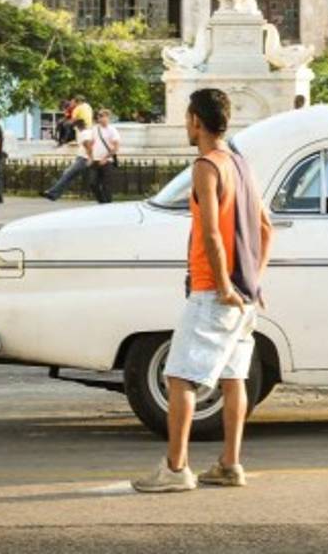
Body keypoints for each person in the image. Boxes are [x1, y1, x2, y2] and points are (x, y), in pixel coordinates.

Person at [132, 88, 273, 493]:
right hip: (244, 296)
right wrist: (252, 281)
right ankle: (229, 464)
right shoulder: (241, 165)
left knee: (179, 378)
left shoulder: (206, 167)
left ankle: (175, 470)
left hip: (214, 291)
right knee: (233, 379)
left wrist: (225, 285)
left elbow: (211, 233)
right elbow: (266, 229)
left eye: (186, 118)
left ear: (196, 120)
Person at [42, 120, 90, 201]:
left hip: (83, 158)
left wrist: (90, 156)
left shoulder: (84, 133)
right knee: (68, 175)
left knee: (68, 174)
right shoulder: (88, 132)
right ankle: (54, 194)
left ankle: (52, 193)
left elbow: (87, 145)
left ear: (77, 127)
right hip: (83, 158)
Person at [84, 109, 121, 204]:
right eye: (100, 116)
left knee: (106, 185)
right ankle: (102, 202)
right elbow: (90, 143)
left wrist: (106, 158)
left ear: (108, 118)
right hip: (95, 160)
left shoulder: (112, 130)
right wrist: (90, 157)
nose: (101, 118)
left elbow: (116, 147)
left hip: (107, 161)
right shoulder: (95, 129)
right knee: (92, 183)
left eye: (104, 116)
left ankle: (107, 204)